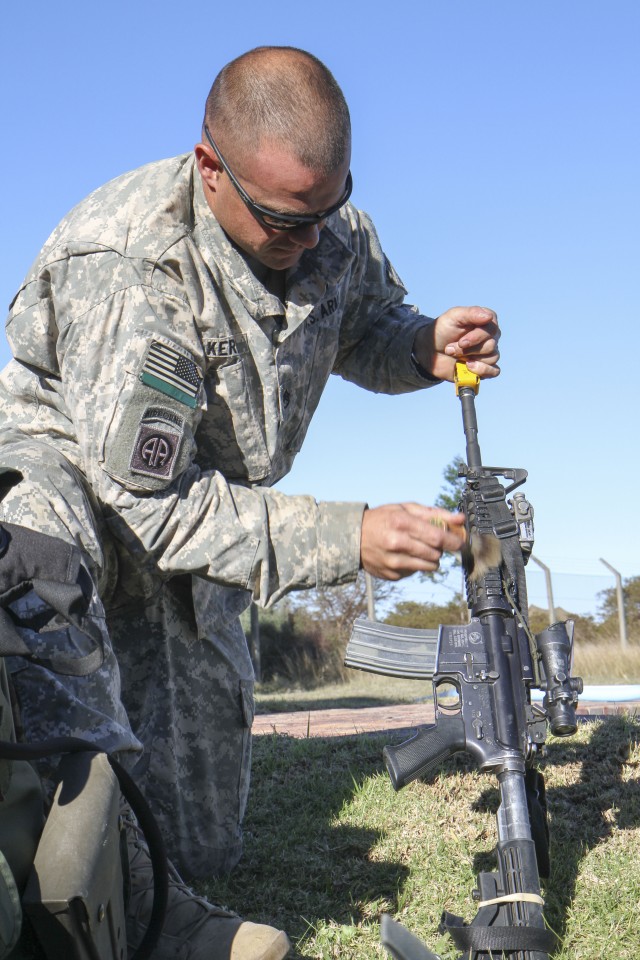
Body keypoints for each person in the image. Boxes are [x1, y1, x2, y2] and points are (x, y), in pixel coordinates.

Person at [0, 46, 500, 960]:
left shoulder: (325, 223)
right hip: (81, 496)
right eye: (283, 222)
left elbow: (364, 324)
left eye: (329, 209)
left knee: (203, 845)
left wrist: (422, 345)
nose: (311, 240)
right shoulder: (129, 269)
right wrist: (345, 535)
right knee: (38, 581)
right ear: (210, 169)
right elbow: (155, 507)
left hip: (203, 521)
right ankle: (119, 919)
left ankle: (156, 880)